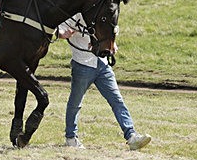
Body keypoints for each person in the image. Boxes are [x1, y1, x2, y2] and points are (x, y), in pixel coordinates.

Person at [59, 13, 151, 150]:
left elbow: (108, 31)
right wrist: (63, 33)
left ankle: (131, 136)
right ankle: (71, 138)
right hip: (82, 64)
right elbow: (60, 30)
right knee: (75, 103)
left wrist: (112, 45)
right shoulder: (75, 13)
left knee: (117, 100)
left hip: (102, 64)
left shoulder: (101, 12)